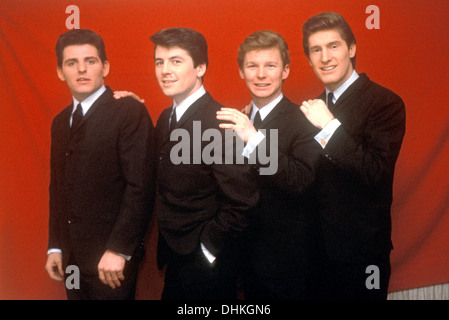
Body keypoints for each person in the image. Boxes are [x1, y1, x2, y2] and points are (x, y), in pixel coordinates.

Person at [299, 12, 406, 299]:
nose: (325, 57)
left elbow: (375, 172)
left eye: (333, 46)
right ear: (309, 59)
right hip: (313, 256)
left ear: (352, 49)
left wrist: (329, 126)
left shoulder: (385, 103)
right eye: (316, 50)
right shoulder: (311, 108)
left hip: (361, 258)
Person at [45, 29, 155, 300]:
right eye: (72, 63)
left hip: (111, 261)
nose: (81, 69)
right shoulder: (60, 122)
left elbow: (140, 186)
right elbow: (58, 187)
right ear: (61, 71)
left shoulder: (129, 112)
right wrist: (55, 246)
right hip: (72, 259)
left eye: (90, 61)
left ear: (105, 67)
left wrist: (119, 249)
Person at [150, 27, 259, 300]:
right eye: (159, 62)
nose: (165, 70)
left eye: (176, 61)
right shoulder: (165, 118)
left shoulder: (221, 122)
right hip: (174, 257)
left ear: (200, 67)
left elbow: (243, 201)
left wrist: (208, 249)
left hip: (206, 264)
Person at [216, 30, 322, 299]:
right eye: (252, 66)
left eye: (270, 66)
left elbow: (300, 181)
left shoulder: (304, 121)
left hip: (285, 269)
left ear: (285, 71)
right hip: (237, 262)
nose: (261, 74)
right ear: (242, 71)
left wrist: (252, 137)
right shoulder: (235, 120)